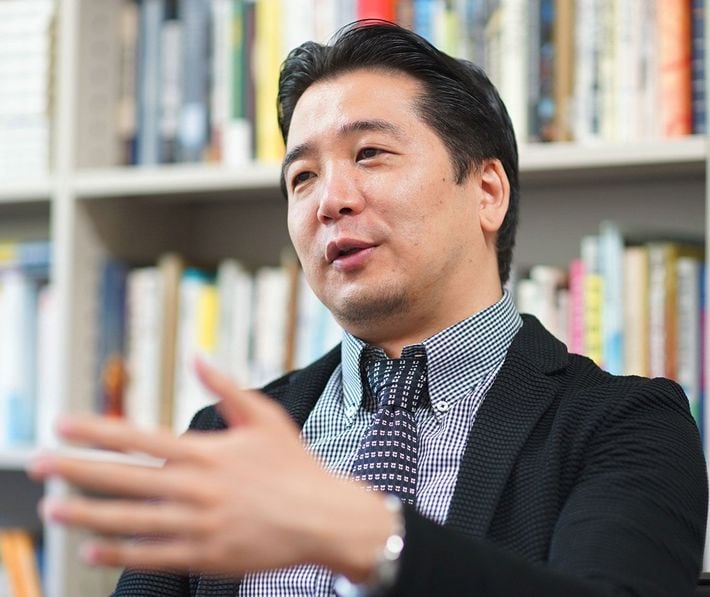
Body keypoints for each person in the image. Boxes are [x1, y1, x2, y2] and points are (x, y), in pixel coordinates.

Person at [30, 21, 707, 597]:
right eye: (303, 177)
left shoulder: (625, 424)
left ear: (487, 192)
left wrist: (362, 534)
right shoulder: (224, 440)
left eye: (370, 153)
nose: (330, 200)